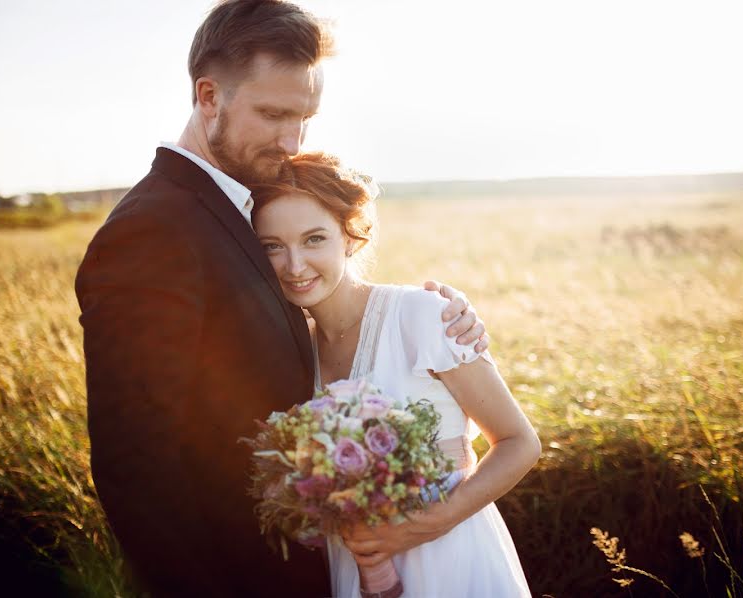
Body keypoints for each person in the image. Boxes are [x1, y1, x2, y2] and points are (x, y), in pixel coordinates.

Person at [74, 1, 486, 596]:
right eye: (272, 114)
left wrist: (441, 318)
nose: (291, 141)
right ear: (208, 95)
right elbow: (137, 466)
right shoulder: (152, 231)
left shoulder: (244, 206)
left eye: (306, 118)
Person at [250, 152, 541, 598]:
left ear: (350, 236)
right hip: (353, 566)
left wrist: (425, 526)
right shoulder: (293, 350)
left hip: (450, 558)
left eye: (313, 239)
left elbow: (519, 443)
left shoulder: (423, 315)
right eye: (272, 245)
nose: (294, 265)